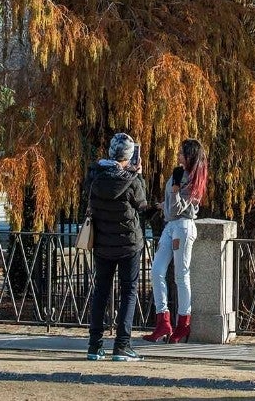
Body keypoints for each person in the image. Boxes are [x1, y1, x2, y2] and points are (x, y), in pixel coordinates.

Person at [84, 133, 147, 361]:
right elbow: (142, 204)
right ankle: (122, 346)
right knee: (128, 292)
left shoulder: (94, 175)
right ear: (129, 156)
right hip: (128, 244)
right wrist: (137, 175)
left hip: (102, 243)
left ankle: (94, 345)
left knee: (100, 291)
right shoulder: (131, 180)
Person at [144, 138, 207, 343]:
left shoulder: (192, 178)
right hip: (171, 225)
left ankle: (183, 323)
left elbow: (180, 207)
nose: (178, 155)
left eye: (181, 153)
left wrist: (175, 189)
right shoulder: (178, 174)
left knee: (181, 275)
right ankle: (163, 321)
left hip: (183, 226)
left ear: (190, 156)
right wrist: (158, 206)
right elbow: (172, 206)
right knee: (157, 270)